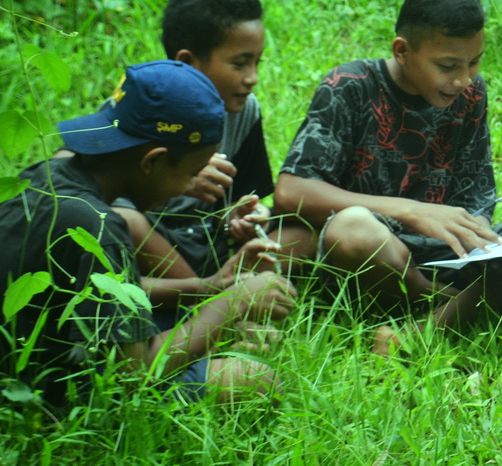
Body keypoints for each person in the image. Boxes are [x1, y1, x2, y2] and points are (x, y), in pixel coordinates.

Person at [273, 0, 502, 351]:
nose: (464, 80)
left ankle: (434, 320)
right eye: (448, 66)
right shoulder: (349, 87)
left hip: (450, 251)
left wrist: (482, 241)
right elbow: (291, 191)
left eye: (474, 63)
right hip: (378, 252)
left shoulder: (469, 94)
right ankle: (458, 302)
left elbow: (474, 188)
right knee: (351, 229)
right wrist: (411, 211)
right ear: (402, 51)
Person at [0, 60, 296, 411]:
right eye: (192, 173)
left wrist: (212, 287)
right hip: (52, 392)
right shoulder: (98, 227)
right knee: (257, 380)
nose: (191, 186)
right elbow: (133, 377)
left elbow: (106, 293)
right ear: (152, 161)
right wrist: (235, 303)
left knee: (196, 325)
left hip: (38, 348)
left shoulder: (47, 175)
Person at [110, 0, 276, 315]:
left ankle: (226, 300)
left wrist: (239, 217)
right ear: (188, 61)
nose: (253, 77)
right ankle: (214, 311)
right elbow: (101, 203)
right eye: (240, 63)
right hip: (144, 254)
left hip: (206, 245)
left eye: (257, 62)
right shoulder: (135, 109)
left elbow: (235, 202)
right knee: (129, 222)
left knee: (291, 235)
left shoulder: (245, 110)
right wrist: (183, 181)